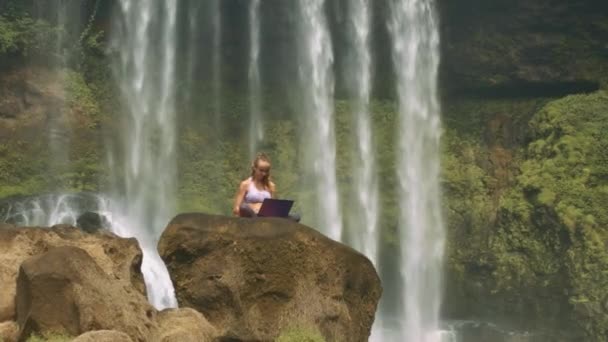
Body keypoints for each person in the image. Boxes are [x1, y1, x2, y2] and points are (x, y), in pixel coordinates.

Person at [232, 152, 300, 221]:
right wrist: (253, 208)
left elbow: (274, 207)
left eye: (266, 171)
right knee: (243, 207)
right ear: (254, 168)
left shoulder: (271, 186)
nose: (264, 174)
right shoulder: (245, 184)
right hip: (251, 215)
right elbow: (236, 209)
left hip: (267, 216)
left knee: (296, 216)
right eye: (261, 170)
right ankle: (258, 221)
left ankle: (262, 221)